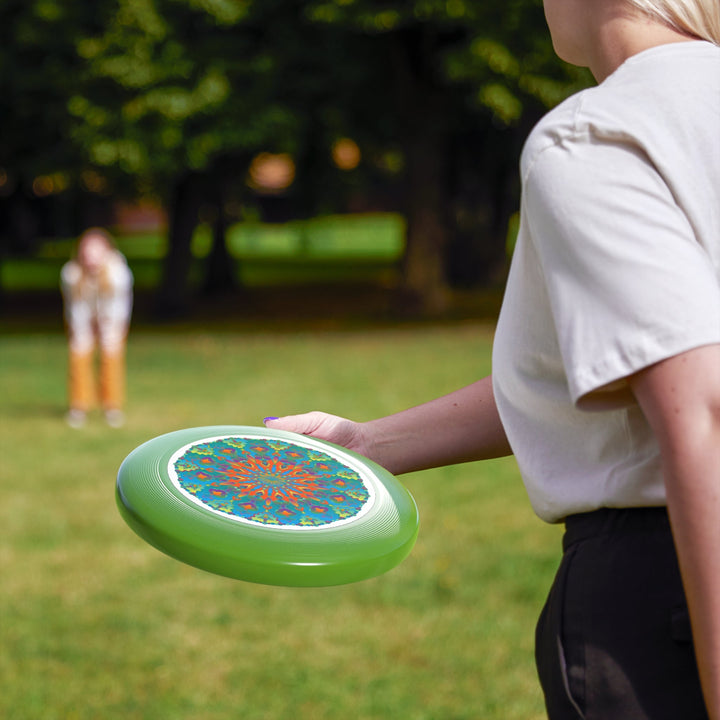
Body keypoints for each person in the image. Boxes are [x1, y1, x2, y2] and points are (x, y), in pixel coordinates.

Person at [264, 1, 720, 717]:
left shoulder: (600, 134)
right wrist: (367, 443)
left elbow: (701, 408)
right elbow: (611, 370)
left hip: (669, 595)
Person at [60, 227, 133, 428]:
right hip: (82, 319)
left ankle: (112, 406)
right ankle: (79, 406)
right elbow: (76, 306)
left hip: (112, 319)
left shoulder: (118, 273)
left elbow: (118, 306)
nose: (91, 257)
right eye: (87, 251)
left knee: (111, 357)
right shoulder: (71, 274)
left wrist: (106, 327)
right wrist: (84, 329)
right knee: (79, 354)